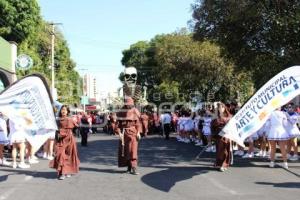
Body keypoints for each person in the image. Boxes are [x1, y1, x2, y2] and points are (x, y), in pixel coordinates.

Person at [50, 105, 80, 180]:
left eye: (65, 110)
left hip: (69, 139)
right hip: (60, 140)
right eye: (62, 109)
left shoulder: (69, 119)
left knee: (68, 156)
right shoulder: (58, 120)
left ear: (67, 112)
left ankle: (65, 172)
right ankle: (63, 172)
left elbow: (75, 127)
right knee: (60, 155)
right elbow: (56, 130)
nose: (63, 111)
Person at [115, 97, 142, 175]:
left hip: (133, 133)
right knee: (125, 151)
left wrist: (138, 133)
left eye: (130, 105)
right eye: (127, 104)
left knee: (133, 150)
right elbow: (117, 125)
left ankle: (134, 168)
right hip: (124, 134)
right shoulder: (121, 112)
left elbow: (138, 123)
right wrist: (119, 133)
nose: (129, 106)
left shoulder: (135, 111)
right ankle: (128, 167)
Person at [211, 102, 232, 172]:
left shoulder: (229, 116)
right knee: (219, 151)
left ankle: (224, 164)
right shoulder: (215, 117)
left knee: (225, 151)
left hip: (226, 136)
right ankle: (218, 163)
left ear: (224, 108)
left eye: (221, 107)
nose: (220, 109)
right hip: (218, 136)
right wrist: (213, 135)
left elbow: (231, 126)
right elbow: (212, 126)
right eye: (218, 108)